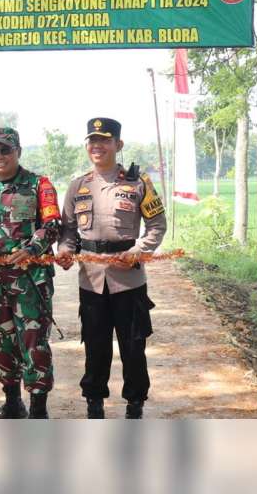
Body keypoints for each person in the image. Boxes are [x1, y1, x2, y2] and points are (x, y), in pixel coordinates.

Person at [57, 118, 167, 419]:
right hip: (91, 280)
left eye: (104, 140)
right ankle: (95, 401)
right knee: (95, 346)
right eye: (92, 140)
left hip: (128, 279)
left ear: (118, 145)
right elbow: (67, 230)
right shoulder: (78, 186)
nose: (97, 145)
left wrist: (138, 251)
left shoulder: (137, 183)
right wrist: (65, 249)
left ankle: (135, 402)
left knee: (133, 346)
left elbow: (157, 225)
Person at [0, 128, 61, 419]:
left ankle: (38, 410)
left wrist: (33, 248)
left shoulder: (38, 184)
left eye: (5, 150)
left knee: (34, 342)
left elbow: (53, 223)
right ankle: (12, 402)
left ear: (18, 151)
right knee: (3, 341)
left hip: (31, 280)